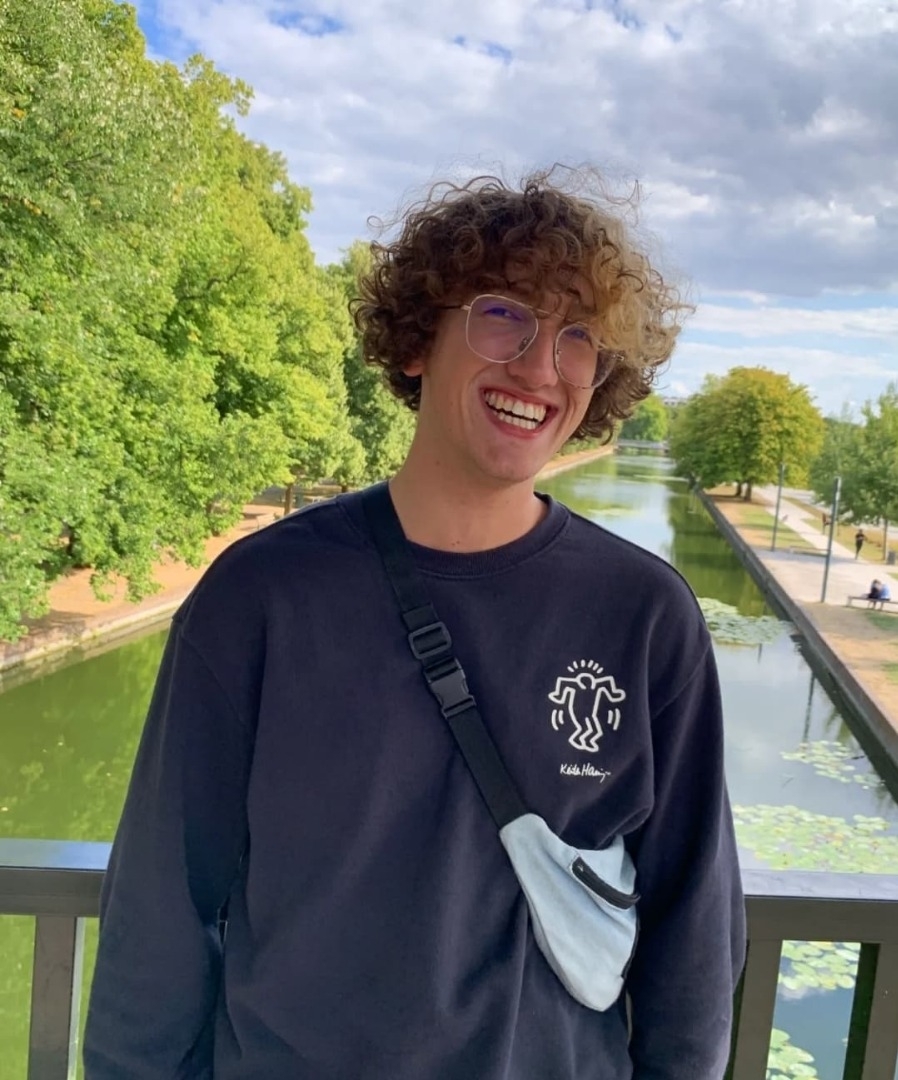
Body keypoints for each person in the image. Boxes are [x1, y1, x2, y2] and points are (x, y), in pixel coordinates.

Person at [84, 169, 746, 1079]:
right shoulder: (260, 596)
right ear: (416, 342)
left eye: (580, 337)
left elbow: (694, 936)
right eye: (504, 316)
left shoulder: (645, 618)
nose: (540, 368)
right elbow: (160, 906)